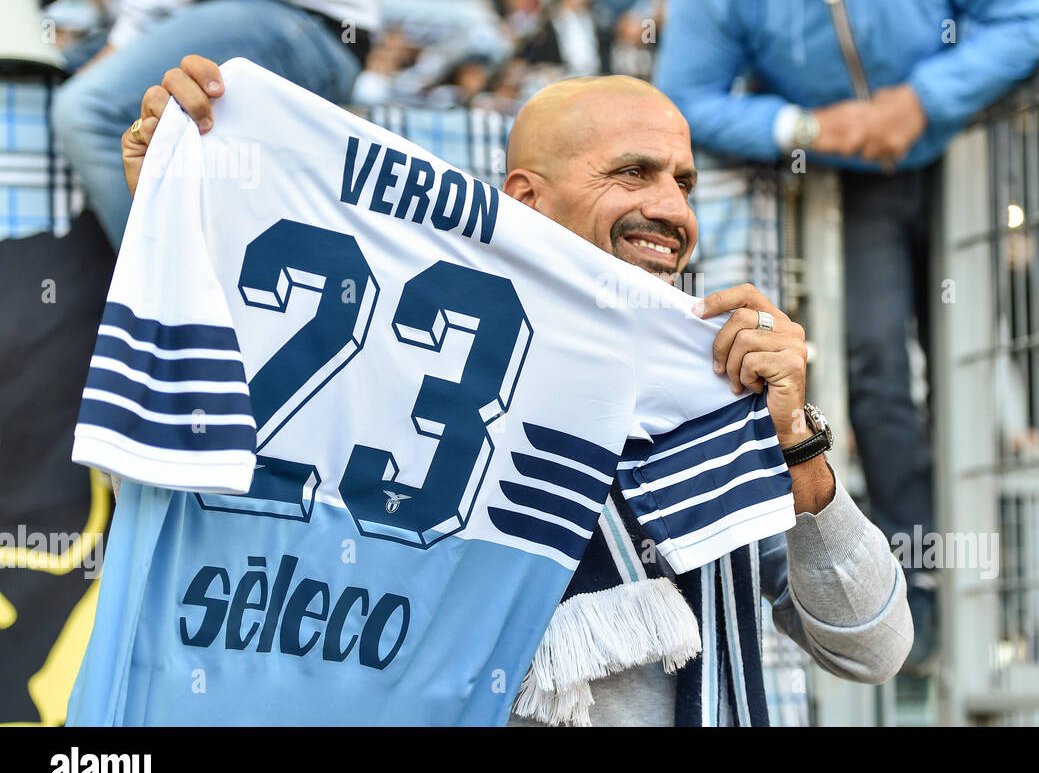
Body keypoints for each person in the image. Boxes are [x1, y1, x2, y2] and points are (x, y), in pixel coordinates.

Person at [111, 55, 914, 726]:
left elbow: (872, 649)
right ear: (526, 200)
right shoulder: (408, 360)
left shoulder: (713, 382)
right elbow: (210, 497)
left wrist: (798, 448)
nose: (671, 209)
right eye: (632, 173)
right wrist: (187, 206)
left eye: (683, 181)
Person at [654, 0, 1039, 674]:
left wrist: (919, 100)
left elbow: (1036, 16)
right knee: (877, 367)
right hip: (851, 185)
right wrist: (803, 125)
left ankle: (1007, 587)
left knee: (985, 368)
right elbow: (684, 95)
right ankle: (921, 592)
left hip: (963, 155)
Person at [41, 0, 381, 250]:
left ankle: (170, 301)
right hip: (203, 10)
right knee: (46, 79)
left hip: (305, 14)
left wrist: (121, 43)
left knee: (87, 108)